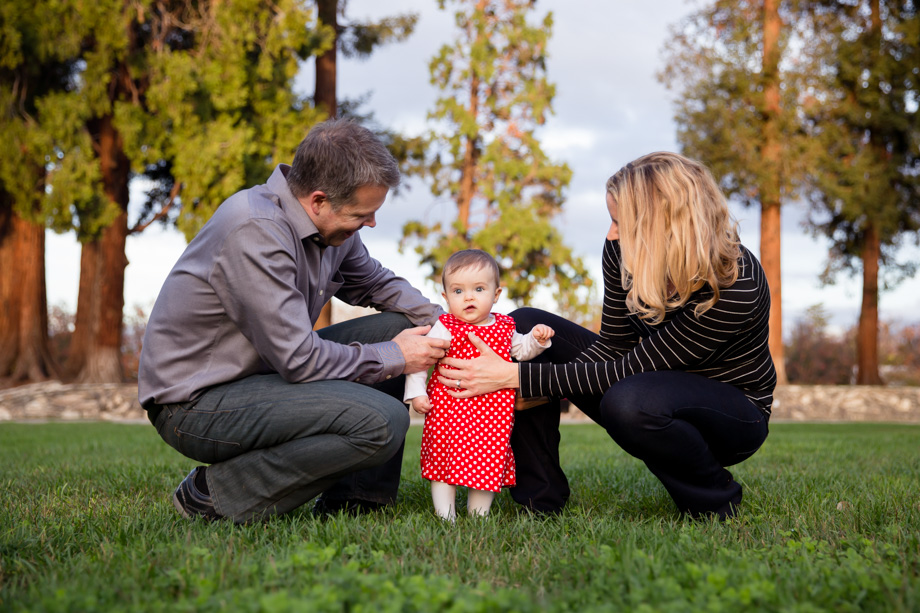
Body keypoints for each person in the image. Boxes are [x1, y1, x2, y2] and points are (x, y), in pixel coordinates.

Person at [138, 119, 450, 524]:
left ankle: (356, 502)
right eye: (362, 214)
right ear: (318, 200)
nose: (371, 224)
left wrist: (452, 325)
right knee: (383, 420)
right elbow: (300, 360)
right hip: (195, 405)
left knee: (402, 327)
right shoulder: (256, 231)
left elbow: (375, 282)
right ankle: (215, 495)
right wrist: (396, 356)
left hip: (262, 378)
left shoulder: (332, 226)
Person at [437, 152, 776, 519]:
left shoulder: (736, 284)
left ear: (664, 224)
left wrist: (516, 378)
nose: (611, 233)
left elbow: (632, 368)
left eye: (620, 222)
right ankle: (541, 502)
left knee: (628, 401)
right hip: (640, 381)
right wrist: (523, 384)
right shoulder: (621, 249)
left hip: (732, 415)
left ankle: (713, 501)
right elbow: (613, 345)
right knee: (522, 325)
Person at [403, 249, 554, 521]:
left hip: (491, 417)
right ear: (446, 298)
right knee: (443, 461)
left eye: (479, 289)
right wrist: (416, 393)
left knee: (487, 462)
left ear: (496, 295)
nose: (468, 297)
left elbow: (522, 351)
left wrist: (537, 340)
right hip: (447, 412)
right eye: (458, 291)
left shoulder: (506, 328)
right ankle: (444, 515)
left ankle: (479, 516)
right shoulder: (445, 326)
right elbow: (421, 360)